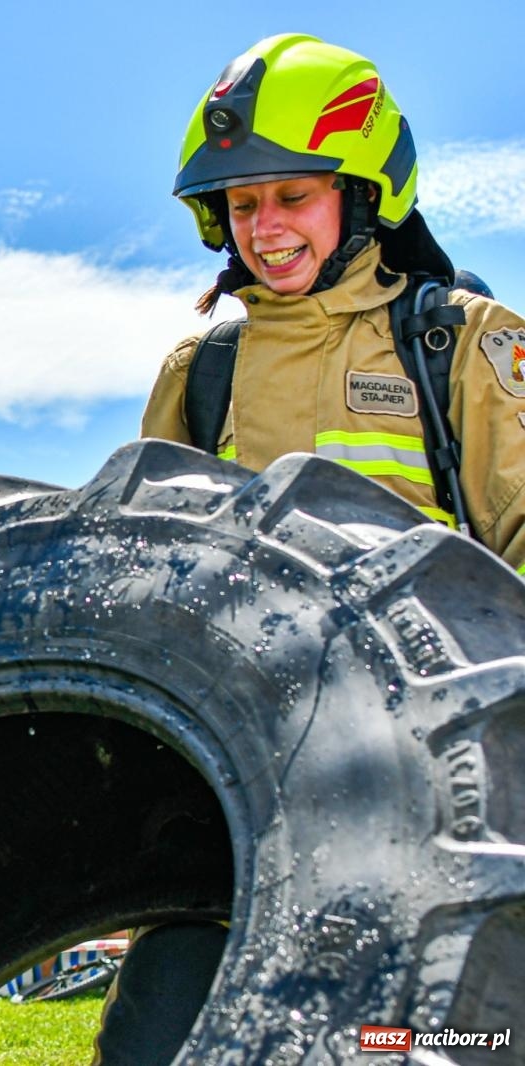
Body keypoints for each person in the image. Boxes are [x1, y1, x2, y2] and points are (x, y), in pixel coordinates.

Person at [123, 34, 525, 1064]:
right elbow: (136, 575)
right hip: (232, 802)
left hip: (440, 802)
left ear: (362, 191)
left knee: (434, 1043)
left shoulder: (463, 344)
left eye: (291, 196)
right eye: (243, 204)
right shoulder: (201, 368)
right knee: (160, 1034)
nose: (265, 229)